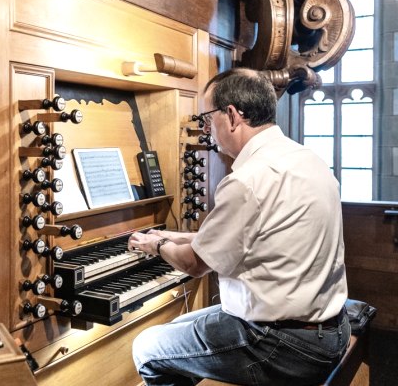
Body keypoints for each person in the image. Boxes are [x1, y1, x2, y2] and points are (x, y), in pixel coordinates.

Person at [128, 68, 349, 386]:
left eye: (207, 118)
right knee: (177, 329)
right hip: (330, 329)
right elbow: (255, 233)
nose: (207, 129)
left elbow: (194, 264)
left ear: (231, 116)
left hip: (282, 345)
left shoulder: (247, 180)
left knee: (146, 348)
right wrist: (172, 234)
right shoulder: (306, 158)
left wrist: (154, 245)